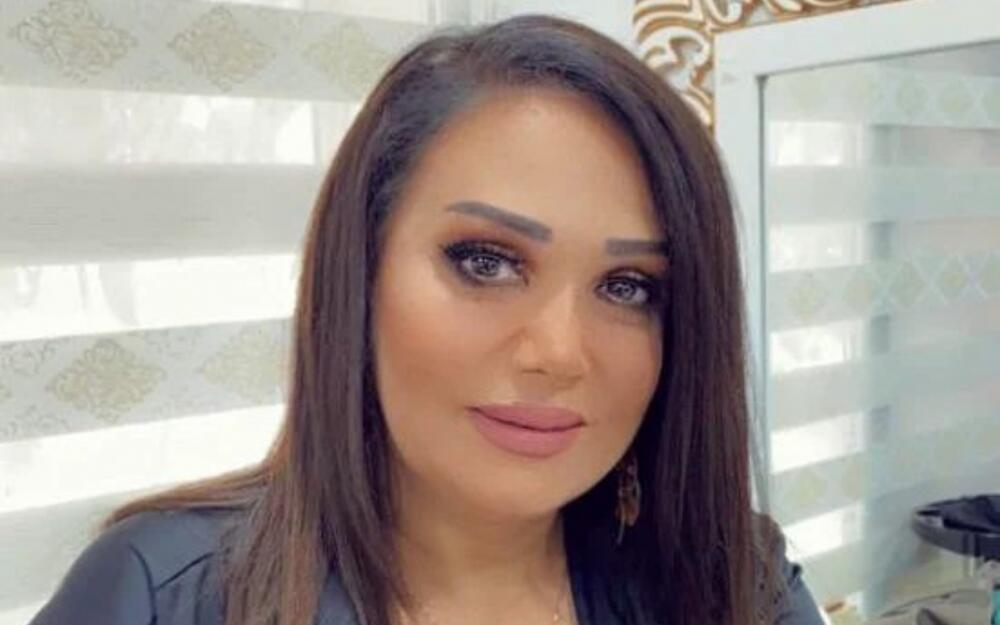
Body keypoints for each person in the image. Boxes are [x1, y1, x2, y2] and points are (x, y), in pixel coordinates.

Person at [29, 14, 825, 625]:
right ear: (361, 270)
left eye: (627, 287)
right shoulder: (163, 595)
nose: (558, 351)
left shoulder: (733, 583)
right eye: (486, 261)